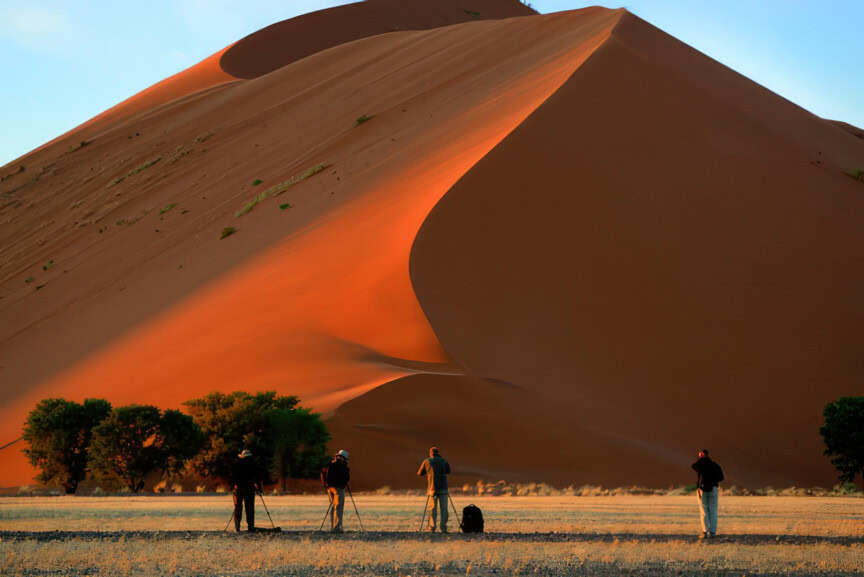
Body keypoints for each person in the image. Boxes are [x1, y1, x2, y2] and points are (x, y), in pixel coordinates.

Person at [692, 448, 724, 539]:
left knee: (704, 510)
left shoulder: (700, 465)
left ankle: (705, 532)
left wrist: (701, 459)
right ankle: (713, 532)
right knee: (713, 511)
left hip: (702, 489)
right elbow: (721, 477)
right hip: (713, 488)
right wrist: (713, 480)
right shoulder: (715, 465)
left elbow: (694, 466)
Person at [418, 446, 451, 532]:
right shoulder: (443, 461)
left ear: (430, 453)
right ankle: (443, 528)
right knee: (444, 509)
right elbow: (448, 471)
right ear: (438, 453)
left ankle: (432, 527)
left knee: (432, 509)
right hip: (444, 489)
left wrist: (429, 470)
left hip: (432, 489)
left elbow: (420, 473)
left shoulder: (427, 461)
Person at [231, 449, 262, 532]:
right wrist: (259, 489)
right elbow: (257, 478)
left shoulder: (237, 464)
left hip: (238, 489)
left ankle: (237, 528)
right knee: (250, 508)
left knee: (238, 508)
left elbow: (233, 477)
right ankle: (250, 527)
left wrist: (234, 486)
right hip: (249, 489)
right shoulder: (253, 465)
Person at [322, 449, 350, 532]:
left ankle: (334, 526)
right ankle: (337, 528)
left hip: (330, 488)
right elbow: (346, 477)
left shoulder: (330, 463)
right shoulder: (340, 465)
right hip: (337, 488)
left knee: (334, 506)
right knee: (339, 506)